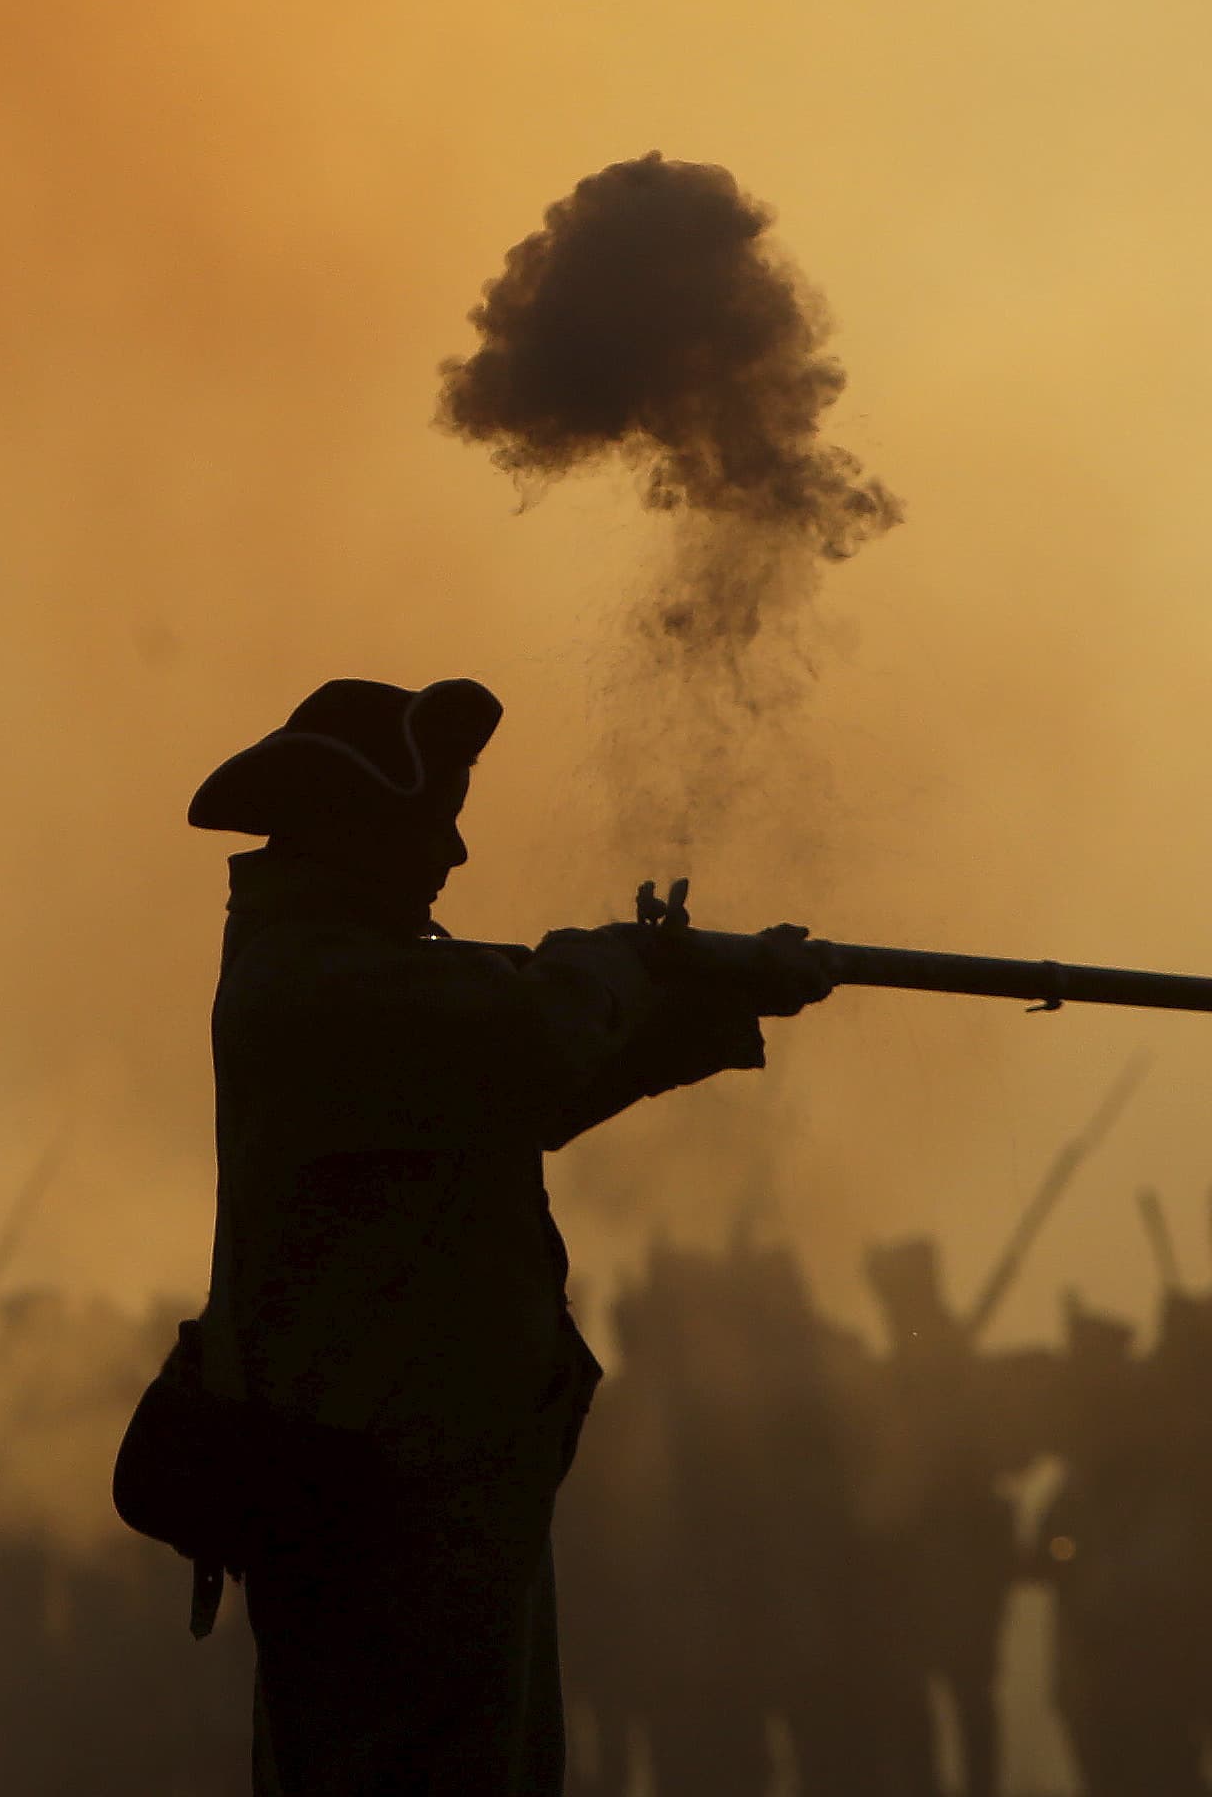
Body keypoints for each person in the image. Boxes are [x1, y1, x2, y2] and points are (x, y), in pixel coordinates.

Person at [185, 676, 830, 1796]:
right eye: (435, 818)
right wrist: (618, 959)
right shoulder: (317, 989)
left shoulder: (350, 981)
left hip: (416, 1490)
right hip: (378, 1505)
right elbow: (531, 1040)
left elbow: (527, 1090)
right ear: (357, 831)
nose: (457, 852)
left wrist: (710, 1004)